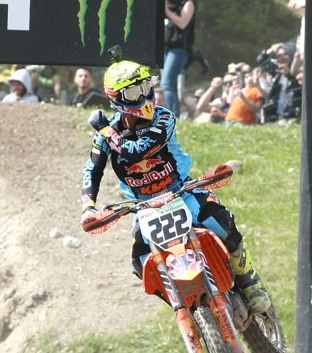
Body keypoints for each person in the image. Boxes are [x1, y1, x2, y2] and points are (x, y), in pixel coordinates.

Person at [79, 57, 274, 314]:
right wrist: (88, 207)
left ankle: (250, 282)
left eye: (146, 87)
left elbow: (138, 151)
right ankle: (184, 304)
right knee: (140, 262)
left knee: (222, 223)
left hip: (182, 191)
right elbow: (92, 169)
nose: (144, 96)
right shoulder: (107, 134)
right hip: (145, 207)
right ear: (117, 99)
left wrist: (106, 132)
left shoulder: (163, 117)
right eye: (134, 93)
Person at [161, 0, 195, 114]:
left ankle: (172, 115)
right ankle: (176, 115)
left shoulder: (187, 2)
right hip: (164, 48)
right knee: (171, 84)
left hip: (179, 49)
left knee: (166, 83)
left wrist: (166, 11)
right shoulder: (166, 3)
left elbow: (182, 23)